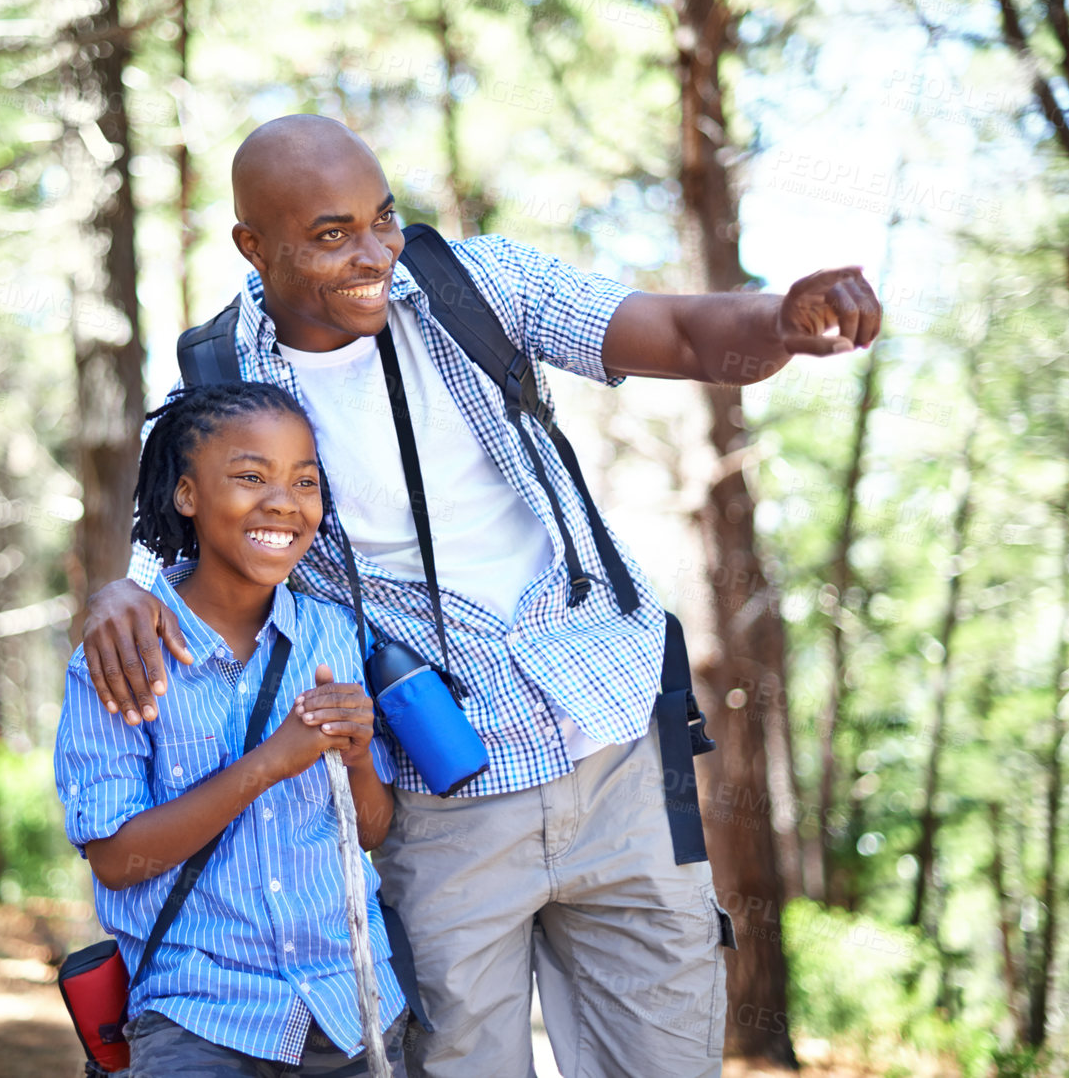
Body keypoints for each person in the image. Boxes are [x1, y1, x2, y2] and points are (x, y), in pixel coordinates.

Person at [81, 115, 883, 1077]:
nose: (375, 252)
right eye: (331, 235)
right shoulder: (223, 366)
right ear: (254, 246)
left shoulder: (475, 282)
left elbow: (674, 328)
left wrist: (779, 325)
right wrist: (117, 595)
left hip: (614, 743)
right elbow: (190, 519)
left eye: (383, 218)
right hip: (440, 788)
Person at [56, 380, 408, 1077]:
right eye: (250, 476)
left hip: (351, 1011)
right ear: (186, 494)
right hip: (200, 1017)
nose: (282, 501)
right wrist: (269, 761)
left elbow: (369, 829)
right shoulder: (124, 656)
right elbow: (116, 860)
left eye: (304, 481)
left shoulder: (335, 634)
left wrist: (361, 757)